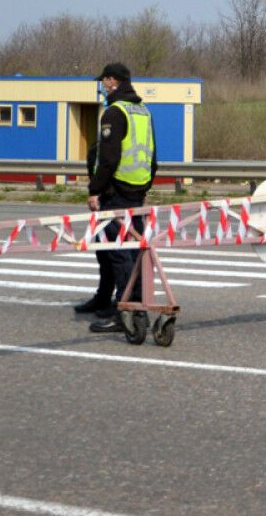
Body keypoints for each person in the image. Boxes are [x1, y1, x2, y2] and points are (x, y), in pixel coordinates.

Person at [76, 62, 157, 334]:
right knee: (114, 248)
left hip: (116, 192)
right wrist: (144, 187)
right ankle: (106, 298)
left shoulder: (114, 112)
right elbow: (153, 157)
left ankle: (125, 310)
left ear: (113, 81)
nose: (102, 85)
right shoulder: (143, 112)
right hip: (136, 191)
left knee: (119, 251)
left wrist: (95, 190)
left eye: (104, 81)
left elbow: (109, 160)